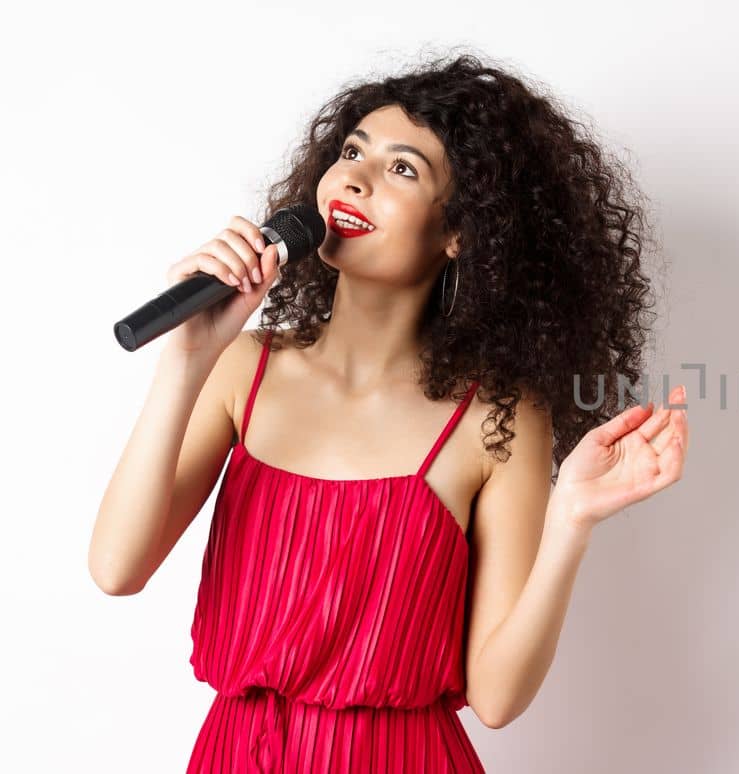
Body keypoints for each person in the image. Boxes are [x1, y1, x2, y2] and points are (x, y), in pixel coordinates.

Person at [88, 51, 689, 773]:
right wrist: (184, 363)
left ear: (461, 231)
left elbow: (495, 699)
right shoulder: (241, 370)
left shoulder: (495, 417)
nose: (356, 178)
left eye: (402, 169)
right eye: (351, 152)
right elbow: (117, 569)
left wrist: (571, 523)